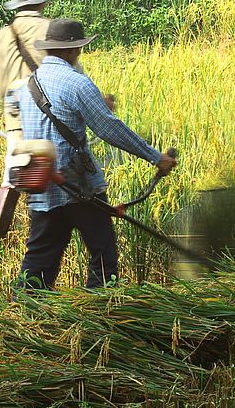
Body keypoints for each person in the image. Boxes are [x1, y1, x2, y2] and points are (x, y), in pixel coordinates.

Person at [15, 18, 177, 291]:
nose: (79, 54)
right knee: (103, 254)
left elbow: (56, 114)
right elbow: (109, 128)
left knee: (40, 257)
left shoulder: (28, 85)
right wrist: (154, 156)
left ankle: (23, 314)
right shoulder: (77, 83)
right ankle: (99, 310)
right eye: (79, 49)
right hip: (77, 186)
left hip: (43, 183)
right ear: (70, 51)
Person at [0, 0, 64, 241]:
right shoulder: (53, 30)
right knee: (54, 164)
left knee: (15, 166)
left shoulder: (3, 34)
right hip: (45, 105)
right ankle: (44, 229)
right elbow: (69, 73)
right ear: (42, 1)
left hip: (14, 107)